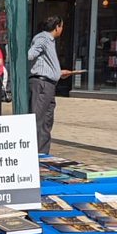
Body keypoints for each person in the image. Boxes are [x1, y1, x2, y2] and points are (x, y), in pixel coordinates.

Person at [28, 16, 73, 153]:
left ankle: (43, 153)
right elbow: (31, 54)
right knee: (38, 119)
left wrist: (58, 72)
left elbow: (46, 64)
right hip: (42, 84)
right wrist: (33, 52)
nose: (62, 30)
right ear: (57, 27)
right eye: (62, 27)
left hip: (49, 84)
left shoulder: (51, 41)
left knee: (47, 120)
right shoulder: (43, 38)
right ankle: (35, 152)